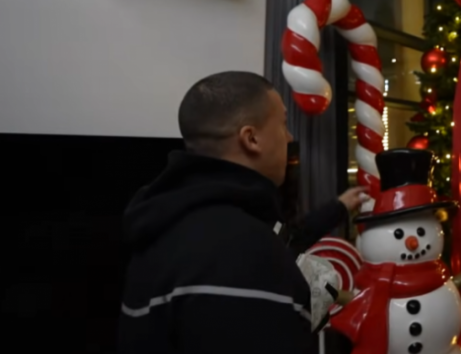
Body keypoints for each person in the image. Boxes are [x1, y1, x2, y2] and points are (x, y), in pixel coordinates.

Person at [118, 71, 366, 354]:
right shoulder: (242, 250)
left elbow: (289, 237)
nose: (289, 137)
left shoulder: (165, 224)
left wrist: (339, 207)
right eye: (283, 124)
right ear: (252, 139)